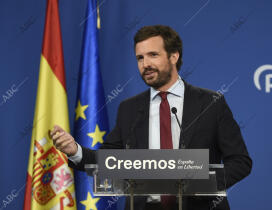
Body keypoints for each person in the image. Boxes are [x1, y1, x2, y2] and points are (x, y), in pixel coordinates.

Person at [50, 25, 252, 210]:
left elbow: (240, 161)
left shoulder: (211, 103)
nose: (145, 64)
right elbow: (108, 163)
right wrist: (75, 151)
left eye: (153, 55)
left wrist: (205, 183)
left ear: (174, 56)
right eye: (140, 58)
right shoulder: (129, 109)